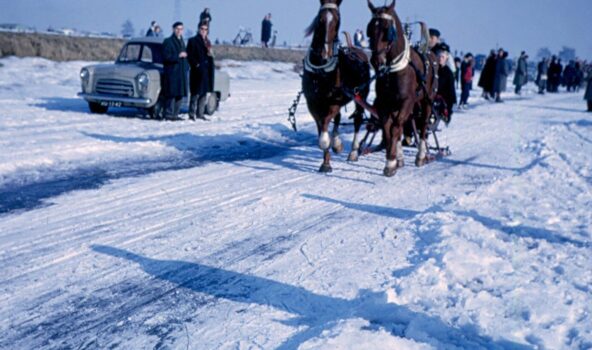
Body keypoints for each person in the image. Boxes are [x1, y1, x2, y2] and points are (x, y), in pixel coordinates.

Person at [162, 22, 189, 120]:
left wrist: (187, 66)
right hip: (172, 73)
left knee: (180, 95)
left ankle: (175, 114)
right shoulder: (168, 41)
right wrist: (178, 56)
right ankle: (169, 114)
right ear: (173, 29)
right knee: (171, 95)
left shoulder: (182, 41)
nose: (179, 31)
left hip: (181, 73)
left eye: (181, 29)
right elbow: (165, 56)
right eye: (177, 29)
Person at [187, 24, 213, 121]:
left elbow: (210, 56)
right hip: (196, 72)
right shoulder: (193, 41)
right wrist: (196, 65)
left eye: (205, 29)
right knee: (195, 93)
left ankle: (200, 113)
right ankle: (191, 114)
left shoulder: (208, 42)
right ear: (198, 29)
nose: (203, 31)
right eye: (202, 29)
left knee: (203, 93)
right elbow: (189, 55)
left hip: (206, 71)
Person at [436, 48, 457, 122]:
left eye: (442, 57)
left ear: (446, 58)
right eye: (439, 56)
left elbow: (451, 90)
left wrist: (451, 105)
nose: (440, 59)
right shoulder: (434, 69)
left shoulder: (448, 73)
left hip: (442, 98)